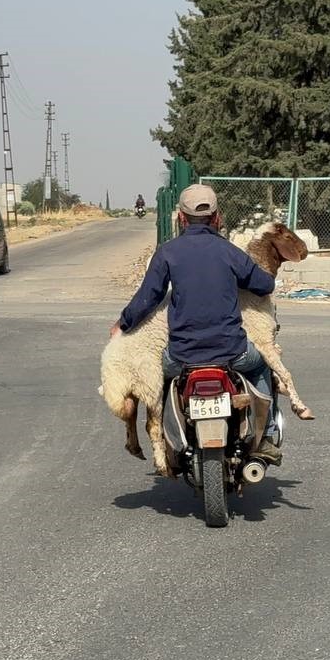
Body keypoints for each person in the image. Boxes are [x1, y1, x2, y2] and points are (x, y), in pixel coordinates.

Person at [110, 184, 283, 465]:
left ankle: (167, 442)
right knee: (263, 365)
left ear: (181, 218)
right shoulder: (230, 252)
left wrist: (123, 323)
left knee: (163, 380)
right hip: (233, 353)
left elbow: (148, 298)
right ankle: (267, 437)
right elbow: (264, 285)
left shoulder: (167, 253)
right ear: (217, 218)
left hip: (181, 357)